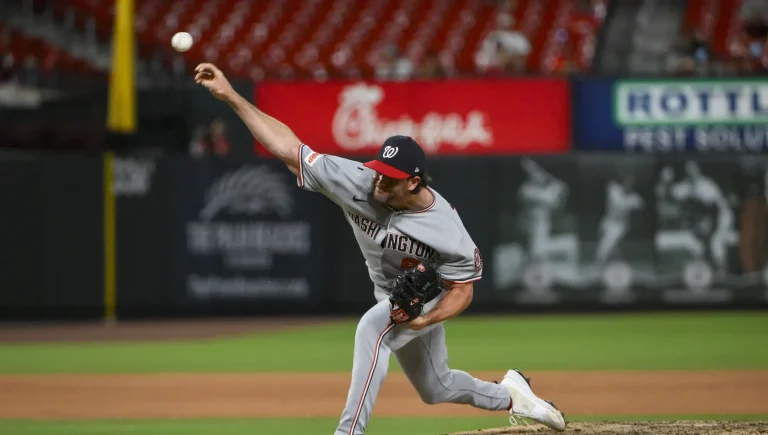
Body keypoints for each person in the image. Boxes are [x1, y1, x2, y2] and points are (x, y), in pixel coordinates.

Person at [193, 62, 567, 435]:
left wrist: (425, 319)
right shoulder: (357, 180)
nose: (379, 182)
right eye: (378, 170)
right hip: (391, 293)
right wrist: (230, 96)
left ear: (415, 182)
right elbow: (290, 149)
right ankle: (514, 396)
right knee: (437, 388)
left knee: (371, 330)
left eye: (391, 179)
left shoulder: (448, 231)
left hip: (428, 296)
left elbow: (463, 290)